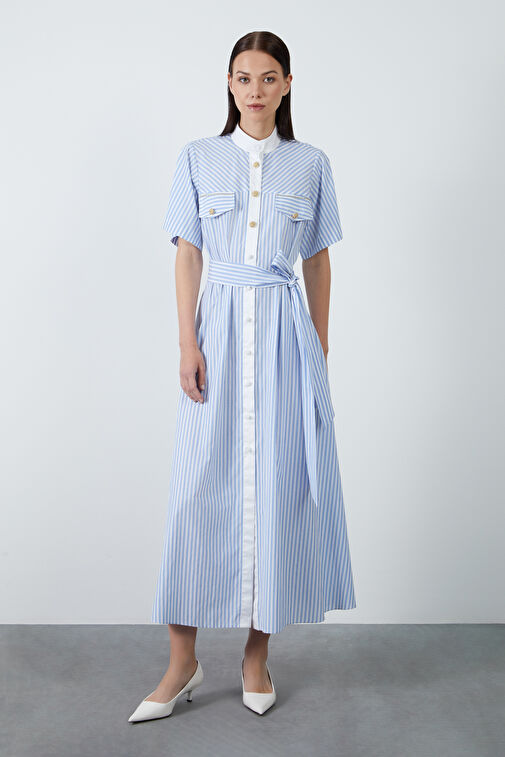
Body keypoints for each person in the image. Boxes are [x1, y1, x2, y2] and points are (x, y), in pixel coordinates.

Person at [129, 30, 356, 722]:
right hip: (217, 336)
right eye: (242, 77)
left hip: (286, 338)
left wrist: (318, 344)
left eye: (267, 77)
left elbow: (317, 260)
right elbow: (187, 253)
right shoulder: (198, 157)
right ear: (228, 84)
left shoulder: (311, 164)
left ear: (286, 84)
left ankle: (256, 657)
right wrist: (186, 343)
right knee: (197, 490)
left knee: (277, 491)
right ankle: (182, 661)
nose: (254, 90)